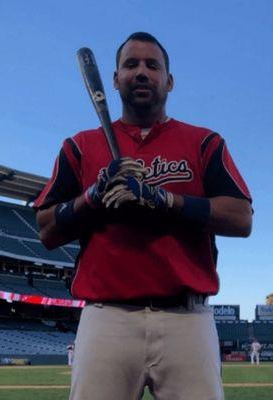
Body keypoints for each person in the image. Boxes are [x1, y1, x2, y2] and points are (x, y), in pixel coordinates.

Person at [35, 32, 252, 400]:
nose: (141, 72)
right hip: (107, 317)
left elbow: (240, 218)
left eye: (153, 65)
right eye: (130, 64)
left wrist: (164, 200)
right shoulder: (81, 146)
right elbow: (47, 230)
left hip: (187, 320)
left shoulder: (204, 142)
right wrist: (93, 197)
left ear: (168, 81)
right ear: (115, 79)